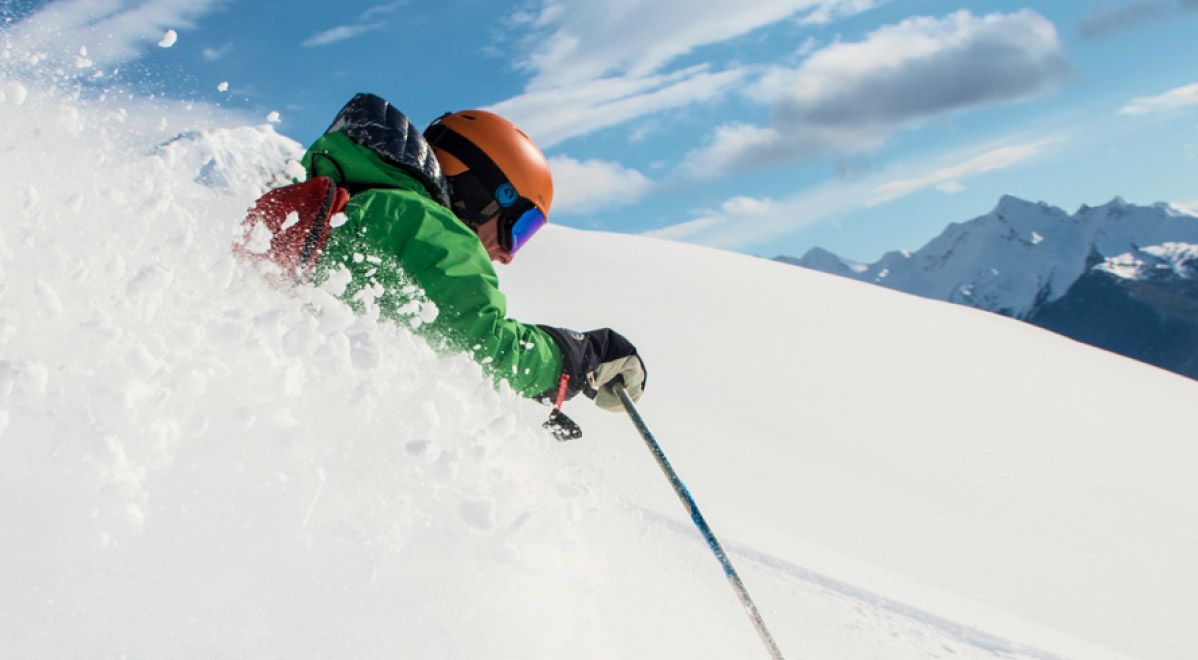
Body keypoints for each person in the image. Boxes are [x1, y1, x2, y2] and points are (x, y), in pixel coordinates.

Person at [298, 93, 645, 422]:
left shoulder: (367, 207)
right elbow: (487, 348)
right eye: (517, 226)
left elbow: (429, 347)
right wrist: (577, 355)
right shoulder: (423, 223)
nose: (508, 255)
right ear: (480, 192)